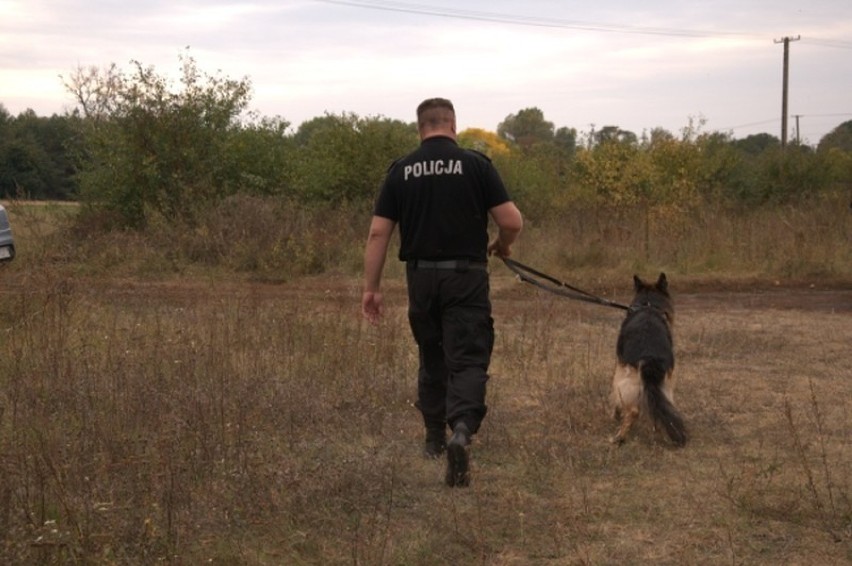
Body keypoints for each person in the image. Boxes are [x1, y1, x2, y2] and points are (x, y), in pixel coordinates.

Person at [361, 97, 523, 488]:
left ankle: (434, 438)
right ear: (453, 125)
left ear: (421, 128)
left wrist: (372, 288)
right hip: (465, 277)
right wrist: (503, 245)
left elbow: (378, 232)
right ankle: (462, 431)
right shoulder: (476, 165)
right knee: (467, 358)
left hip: (421, 279)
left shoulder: (401, 171)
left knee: (431, 356)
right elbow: (511, 221)